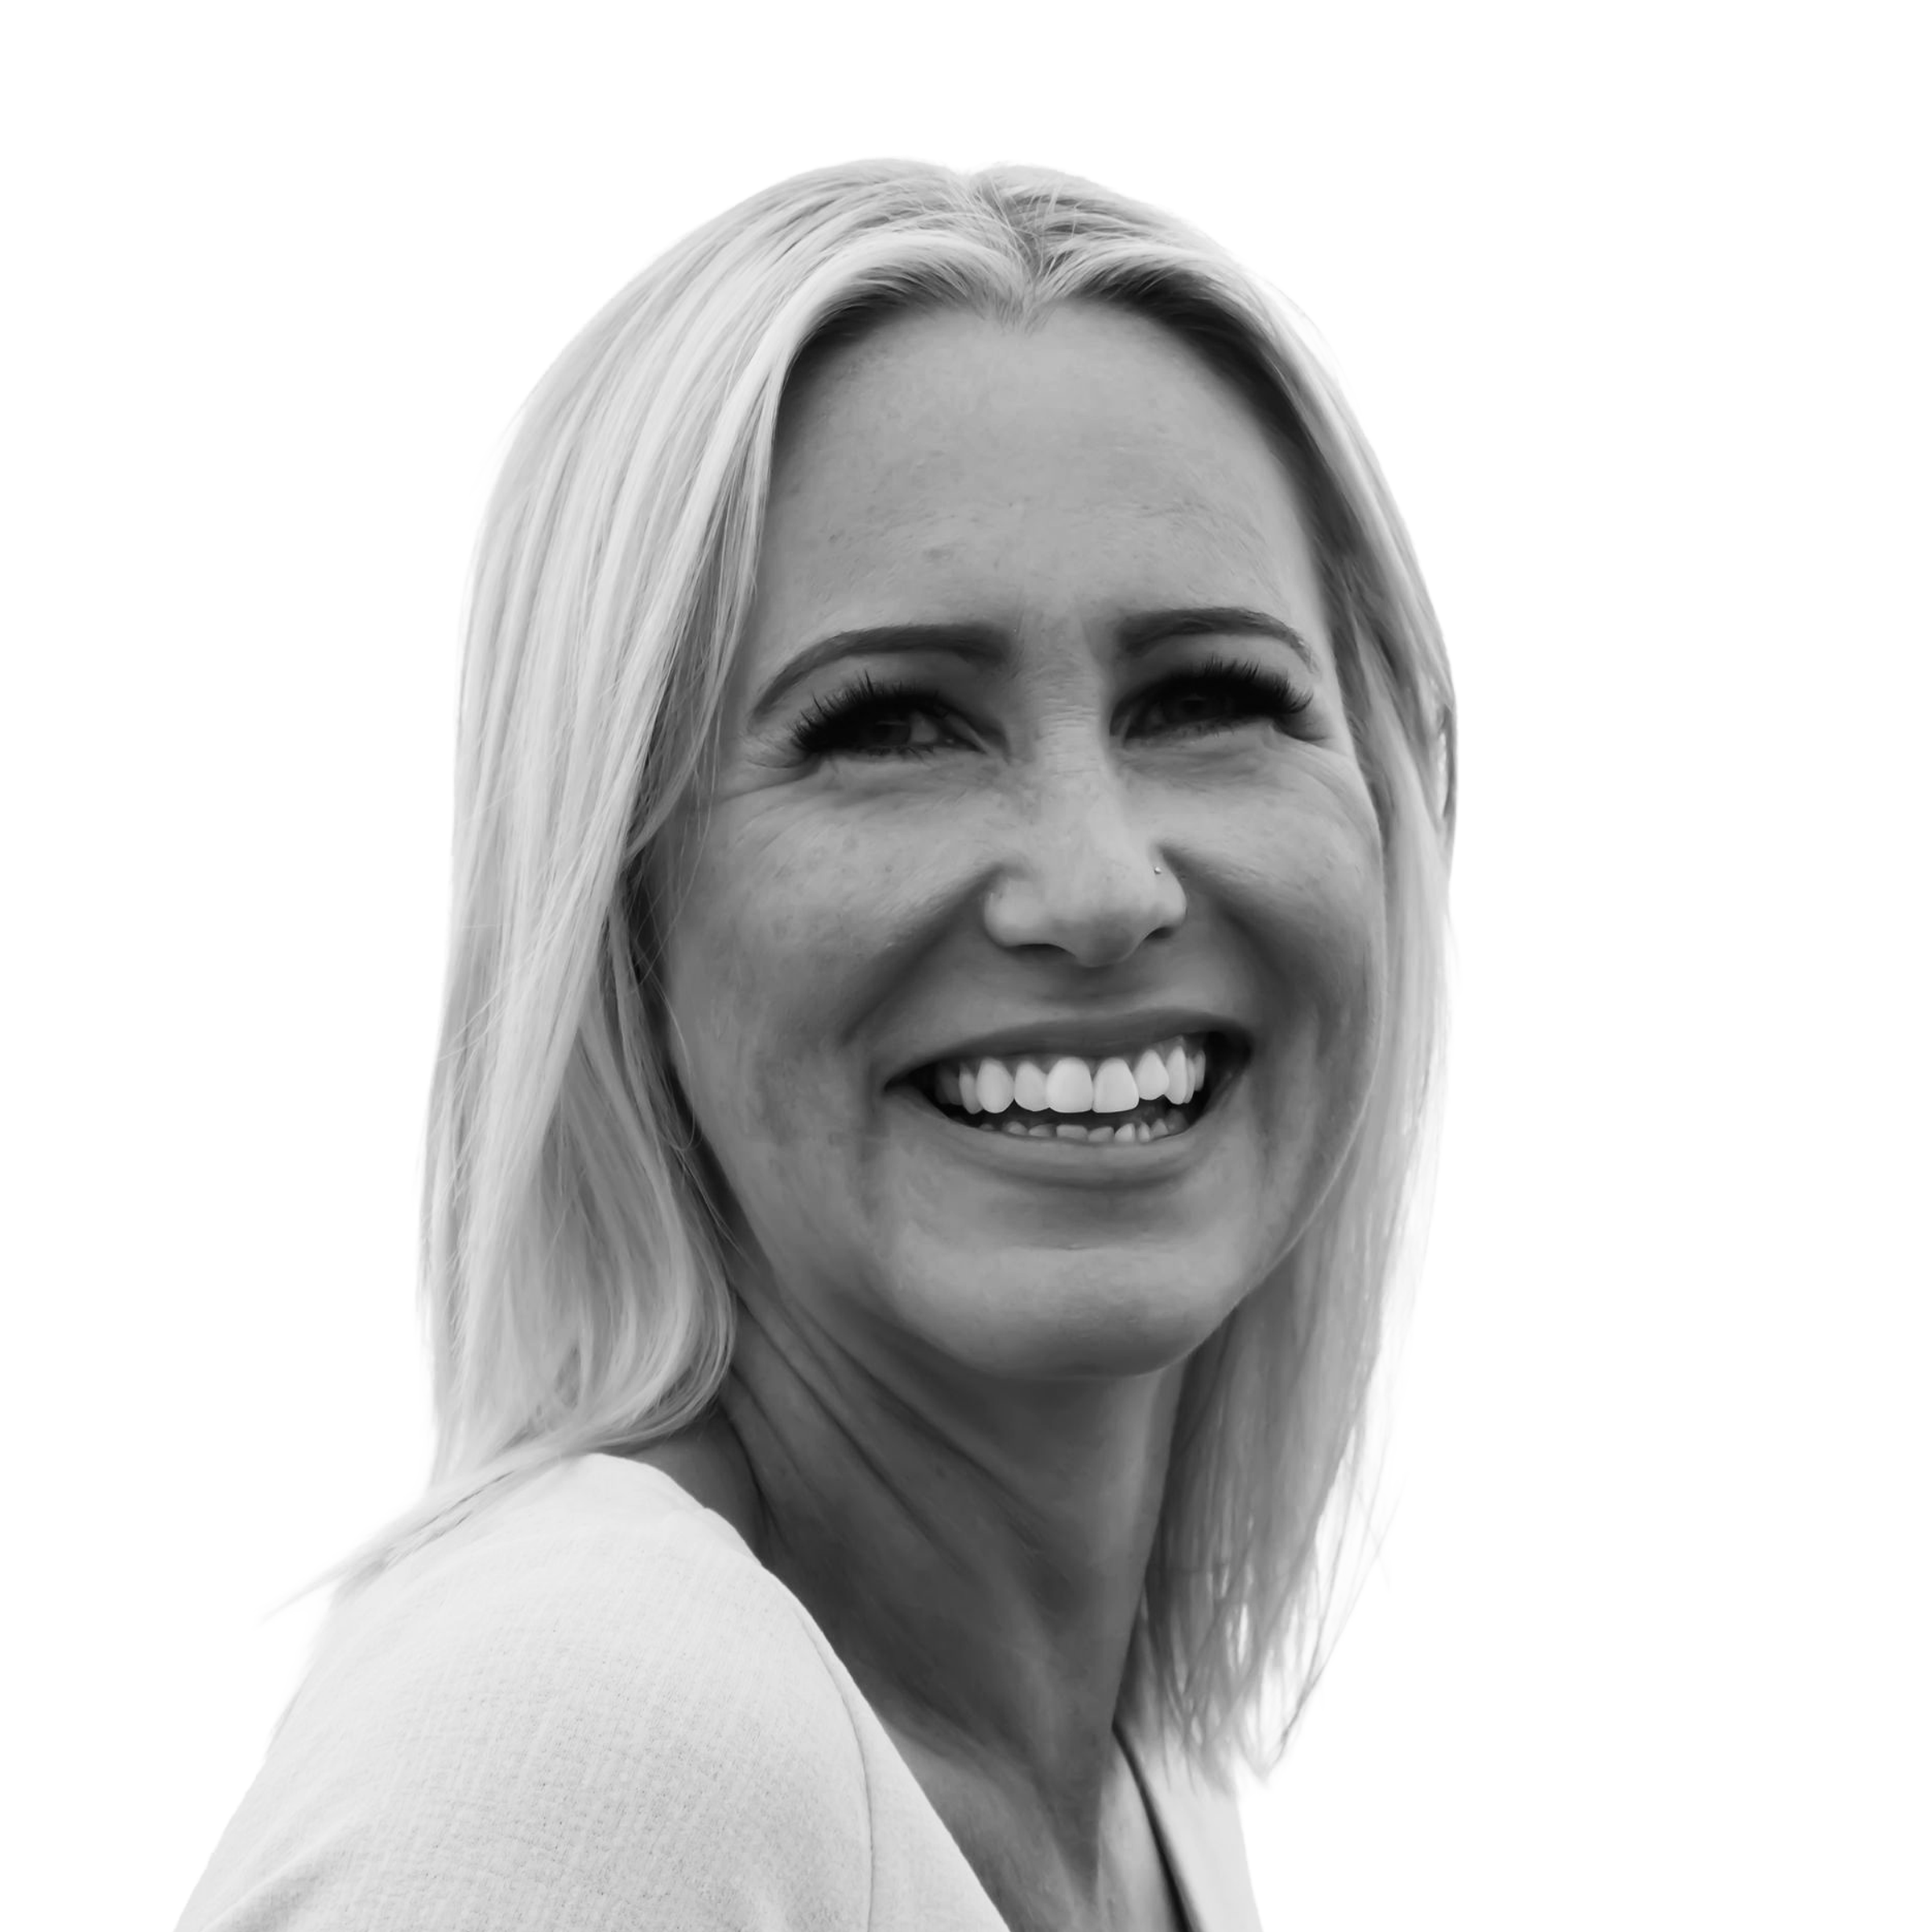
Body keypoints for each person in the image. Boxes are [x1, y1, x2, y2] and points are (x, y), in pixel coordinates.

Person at [176, 157, 1456, 1932]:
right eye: (891, 726)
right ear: (618, 903)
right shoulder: (587, 1743)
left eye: (1214, 699)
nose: (1098, 884)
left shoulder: (1146, 1786)